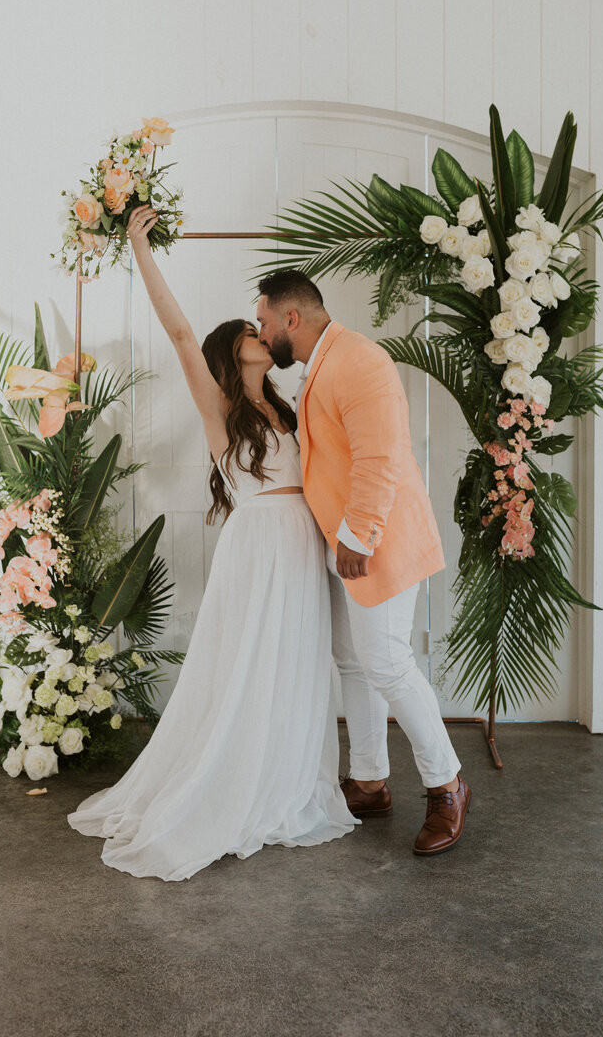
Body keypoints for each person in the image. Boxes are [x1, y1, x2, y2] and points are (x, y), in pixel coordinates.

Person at [67, 209, 357, 880]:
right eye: (250, 331)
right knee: (246, 664)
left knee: (294, 662)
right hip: (256, 544)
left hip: (300, 544)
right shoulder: (219, 410)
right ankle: (228, 783)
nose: (261, 333)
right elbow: (176, 329)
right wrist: (140, 249)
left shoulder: (289, 406)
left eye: (262, 327)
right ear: (233, 350)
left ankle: (283, 778)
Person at [255, 269, 471, 856]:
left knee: (387, 662)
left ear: (290, 319)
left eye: (264, 321)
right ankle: (371, 780)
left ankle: (447, 783)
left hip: (379, 542)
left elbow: (382, 459)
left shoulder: (360, 360)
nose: (261, 330)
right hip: (344, 541)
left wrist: (357, 537)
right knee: (352, 660)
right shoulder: (321, 364)